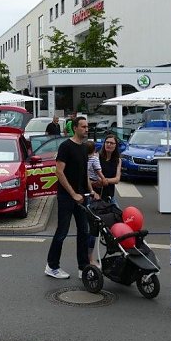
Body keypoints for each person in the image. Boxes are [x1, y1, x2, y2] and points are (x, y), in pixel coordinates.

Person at [45, 116, 98, 279]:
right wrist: (72, 193)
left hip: (82, 197)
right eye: (83, 126)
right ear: (75, 128)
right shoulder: (66, 147)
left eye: (87, 126)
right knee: (62, 231)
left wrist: (91, 191)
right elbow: (59, 172)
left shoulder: (83, 148)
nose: (86, 129)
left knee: (84, 231)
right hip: (66, 197)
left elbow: (84, 174)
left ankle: (83, 267)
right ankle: (52, 266)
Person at [98, 134, 122, 203]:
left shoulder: (118, 160)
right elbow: (96, 176)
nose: (108, 144)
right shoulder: (97, 157)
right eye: (107, 142)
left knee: (118, 212)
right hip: (98, 194)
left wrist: (104, 180)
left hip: (110, 195)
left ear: (115, 145)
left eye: (111, 143)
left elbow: (117, 179)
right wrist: (108, 180)